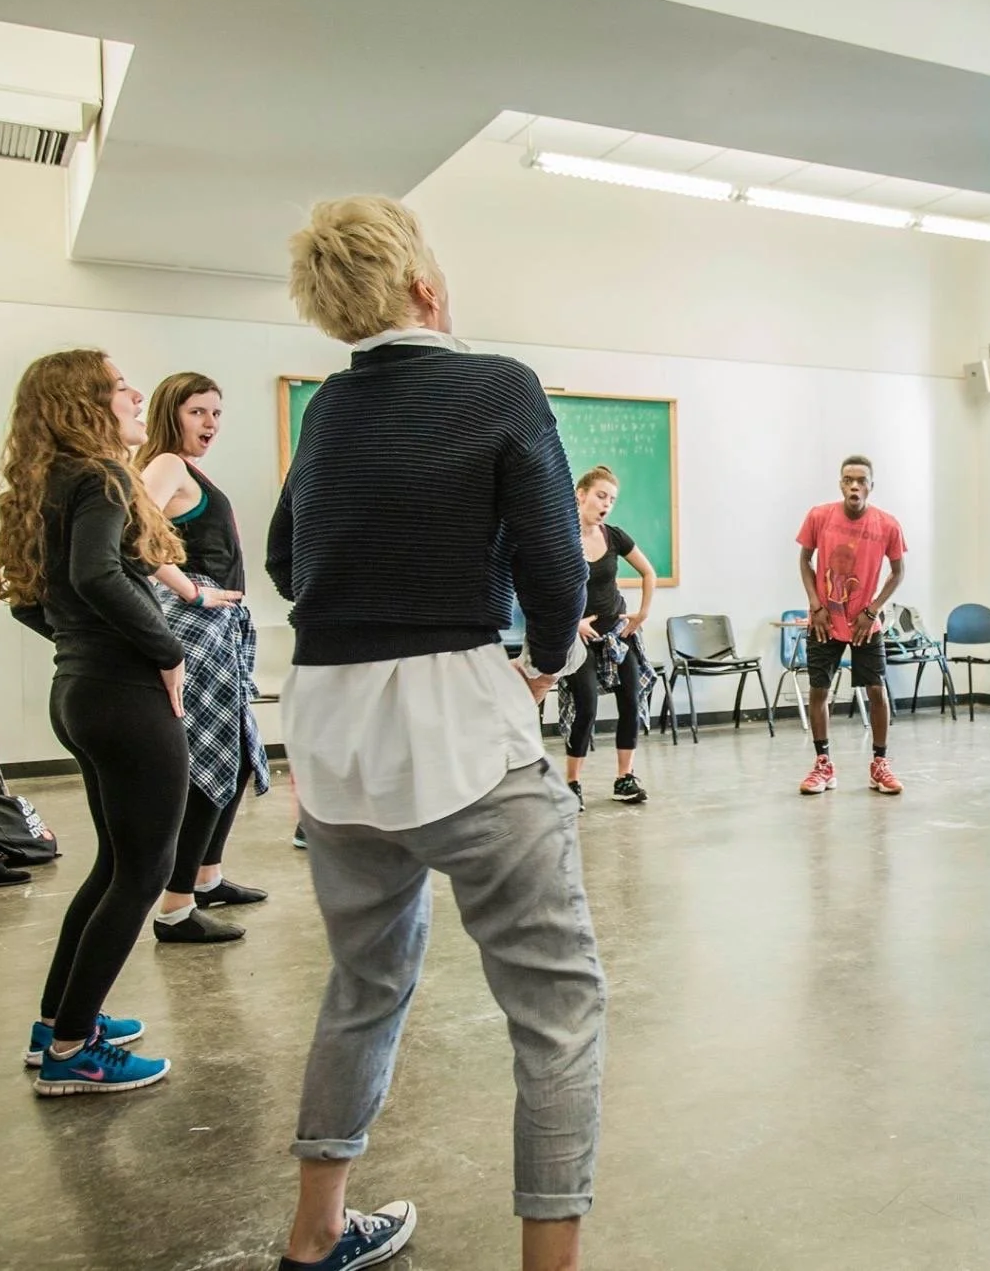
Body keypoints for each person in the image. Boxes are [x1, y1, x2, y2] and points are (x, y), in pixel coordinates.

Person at [269, 194, 603, 1271]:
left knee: (363, 980)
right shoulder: (498, 383)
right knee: (555, 1000)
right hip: (454, 722)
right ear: (425, 286)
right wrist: (546, 660)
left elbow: (285, 561)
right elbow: (556, 557)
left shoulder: (327, 406)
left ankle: (316, 1231)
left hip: (327, 731)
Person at [0, 348, 190, 1096]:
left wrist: (82, 645)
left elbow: (29, 601)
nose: (136, 395)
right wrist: (165, 651)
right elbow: (95, 573)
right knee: (145, 871)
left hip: (80, 691)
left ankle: (58, 1021)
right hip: (123, 698)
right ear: (84, 403)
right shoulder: (101, 476)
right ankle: (74, 1050)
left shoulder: (52, 480)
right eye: (120, 386)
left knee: (115, 864)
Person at [135, 371, 271, 944]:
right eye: (197, 411)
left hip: (218, 628)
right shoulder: (167, 463)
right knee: (208, 764)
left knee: (233, 758)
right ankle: (175, 908)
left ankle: (205, 878)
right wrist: (191, 591)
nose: (210, 423)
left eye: (216, 412)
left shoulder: (186, 469)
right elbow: (131, 534)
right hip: (197, 627)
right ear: (171, 414)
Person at [795, 456, 907, 796]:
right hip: (825, 620)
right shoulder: (819, 516)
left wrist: (872, 610)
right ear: (840, 484)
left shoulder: (887, 525)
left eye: (861, 480)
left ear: (871, 486)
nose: (854, 486)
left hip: (864, 623)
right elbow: (805, 560)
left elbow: (898, 572)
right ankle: (823, 764)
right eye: (848, 480)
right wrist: (816, 605)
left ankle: (880, 764)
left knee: (876, 690)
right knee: (819, 690)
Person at [563, 465, 656, 808]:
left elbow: (648, 572)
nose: (606, 504)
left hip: (616, 632)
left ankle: (624, 778)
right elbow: (544, 588)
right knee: (586, 705)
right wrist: (573, 622)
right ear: (581, 495)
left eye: (612, 499)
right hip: (579, 636)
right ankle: (571, 783)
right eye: (601, 496)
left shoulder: (614, 536)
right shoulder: (561, 536)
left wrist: (642, 613)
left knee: (631, 699)